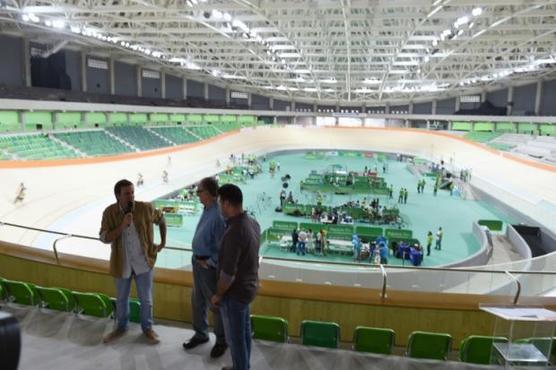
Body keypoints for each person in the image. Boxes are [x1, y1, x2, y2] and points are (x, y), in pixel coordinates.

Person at [99, 179, 166, 344]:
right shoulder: (109, 212)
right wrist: (122, 226)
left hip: (144, 262)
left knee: (146, 299)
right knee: (121, 299)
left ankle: (147, 329)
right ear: (117, 195)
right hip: (122, 264)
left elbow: (162, 220)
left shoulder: (145, 208)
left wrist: (163, 242)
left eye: (132, 192)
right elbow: (103, 237)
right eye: (126, 193)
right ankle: (121, 328)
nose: (131, 197)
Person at [211, 184, 260, 370]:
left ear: (226, 203)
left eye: (219, 203)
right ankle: (242, 366)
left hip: (235, 293)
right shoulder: (252, 223)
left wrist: (218, 294)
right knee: (244, 333)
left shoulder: (234, 232)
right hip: (248, 288)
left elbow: (228, 275)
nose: (218, 208)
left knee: (236, 339)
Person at [183, 177, 228, 358]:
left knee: (215, 304)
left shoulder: (217, 215)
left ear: (208, 193)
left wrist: (209, 263)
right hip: (198, 264)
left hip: (207, 267)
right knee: (197, 301)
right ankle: (201, 334)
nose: (197, 194)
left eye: (199, 191)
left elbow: (222, 248)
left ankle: (222, 341)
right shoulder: (208, 209)